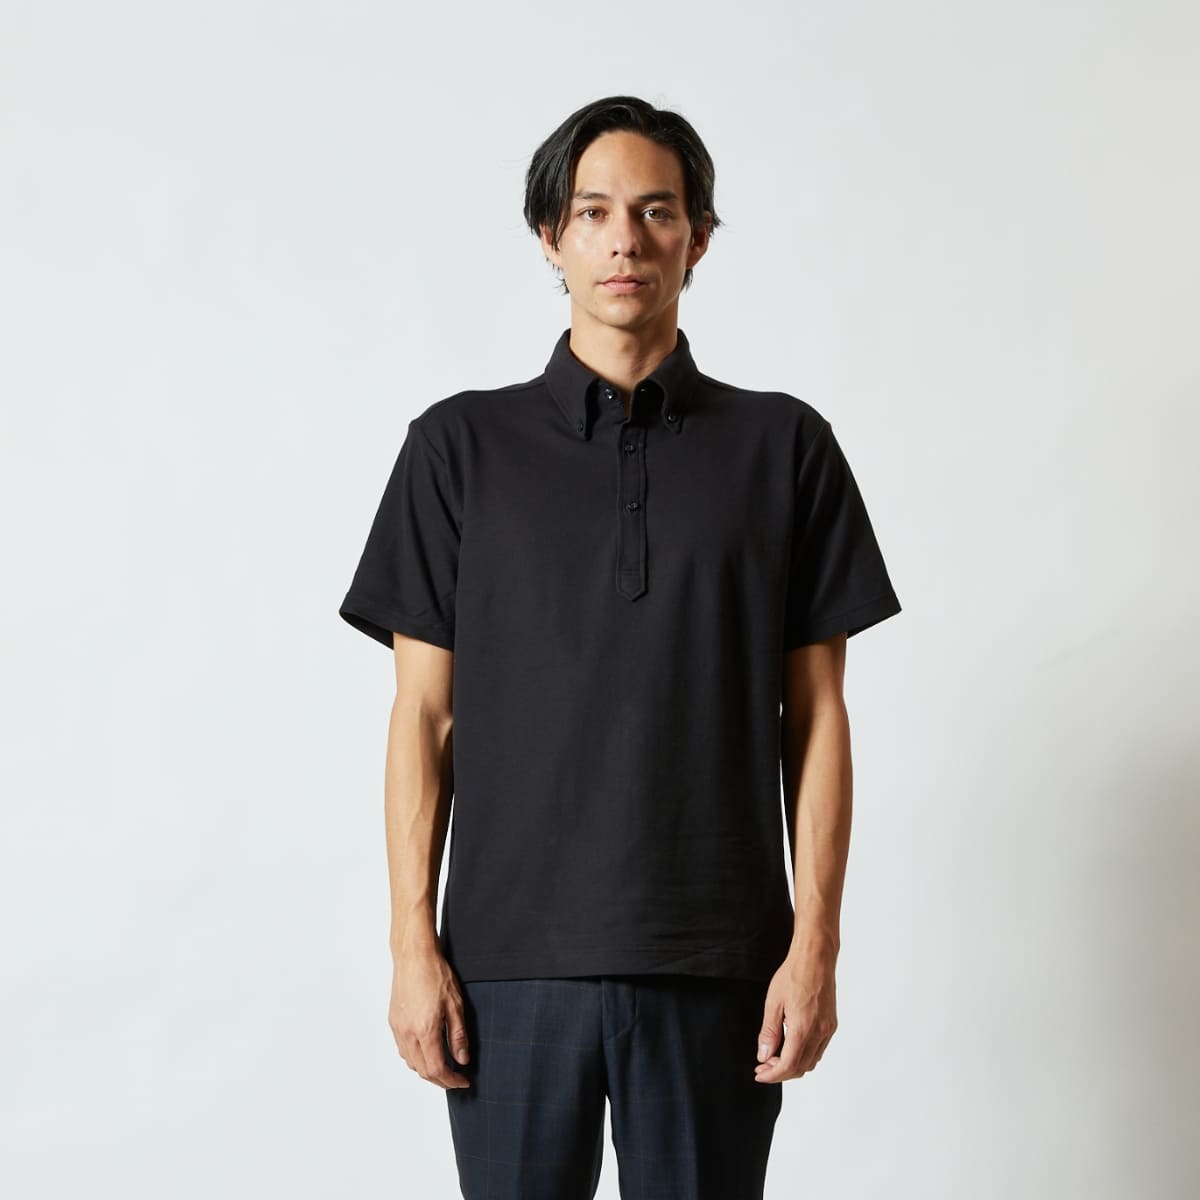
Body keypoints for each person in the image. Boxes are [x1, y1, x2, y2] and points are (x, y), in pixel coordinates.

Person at [338, 94, 902, 1200]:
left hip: (719, 964)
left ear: (700, 237)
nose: (625, 240)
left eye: (656, 211)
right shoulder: (458, 448)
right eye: (593, 212)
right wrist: (412, 946)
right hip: (505, 969)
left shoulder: (785, 447)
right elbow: (424, 716)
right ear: (550, 237)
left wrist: (814, 947)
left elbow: (818, 718)